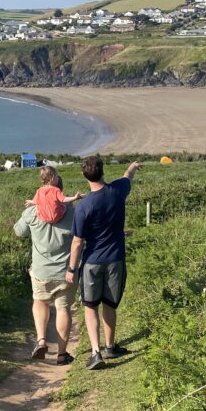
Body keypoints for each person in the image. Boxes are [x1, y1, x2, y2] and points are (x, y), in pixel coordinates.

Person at [67, 156, 141, 370]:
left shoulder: (84, 206)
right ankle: (110, 346)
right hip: (115, 259)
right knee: (109, 303)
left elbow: (77, 242)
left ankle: (96, 352)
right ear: (102, 171)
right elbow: (127, 177)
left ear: (84, 174)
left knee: (90, 306)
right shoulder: (118, 191)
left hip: (91, 262)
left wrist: (71, 268)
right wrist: (133, 166)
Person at [14, 172, 78, 365]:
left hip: (41, 272)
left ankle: (41, 339)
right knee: (63, 309)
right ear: (61, 191)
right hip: (65, 273)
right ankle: (61, 353)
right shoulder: (71, 213)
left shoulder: (33, 212)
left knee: (40, 302)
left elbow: (18, 232)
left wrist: (33, 208)